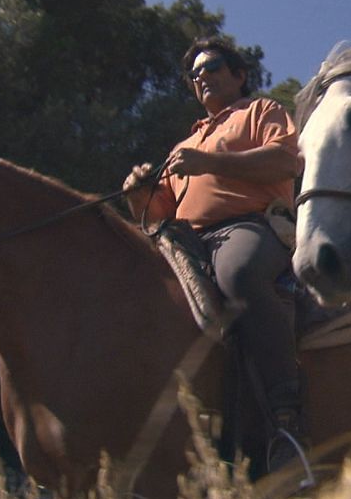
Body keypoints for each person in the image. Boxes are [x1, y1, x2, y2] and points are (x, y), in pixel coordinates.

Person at [123, 39, 308, 473]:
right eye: (194, 74)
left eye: (212, 67)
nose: (201, 77)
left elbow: (287, 162)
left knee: (239, 275)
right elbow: (157, 216)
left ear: (239, 74)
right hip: (184, 241)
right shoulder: (185, 145)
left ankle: (286, 417)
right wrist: (138, 196)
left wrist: (209, 162)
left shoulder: (261, 112)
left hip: (249, 227)